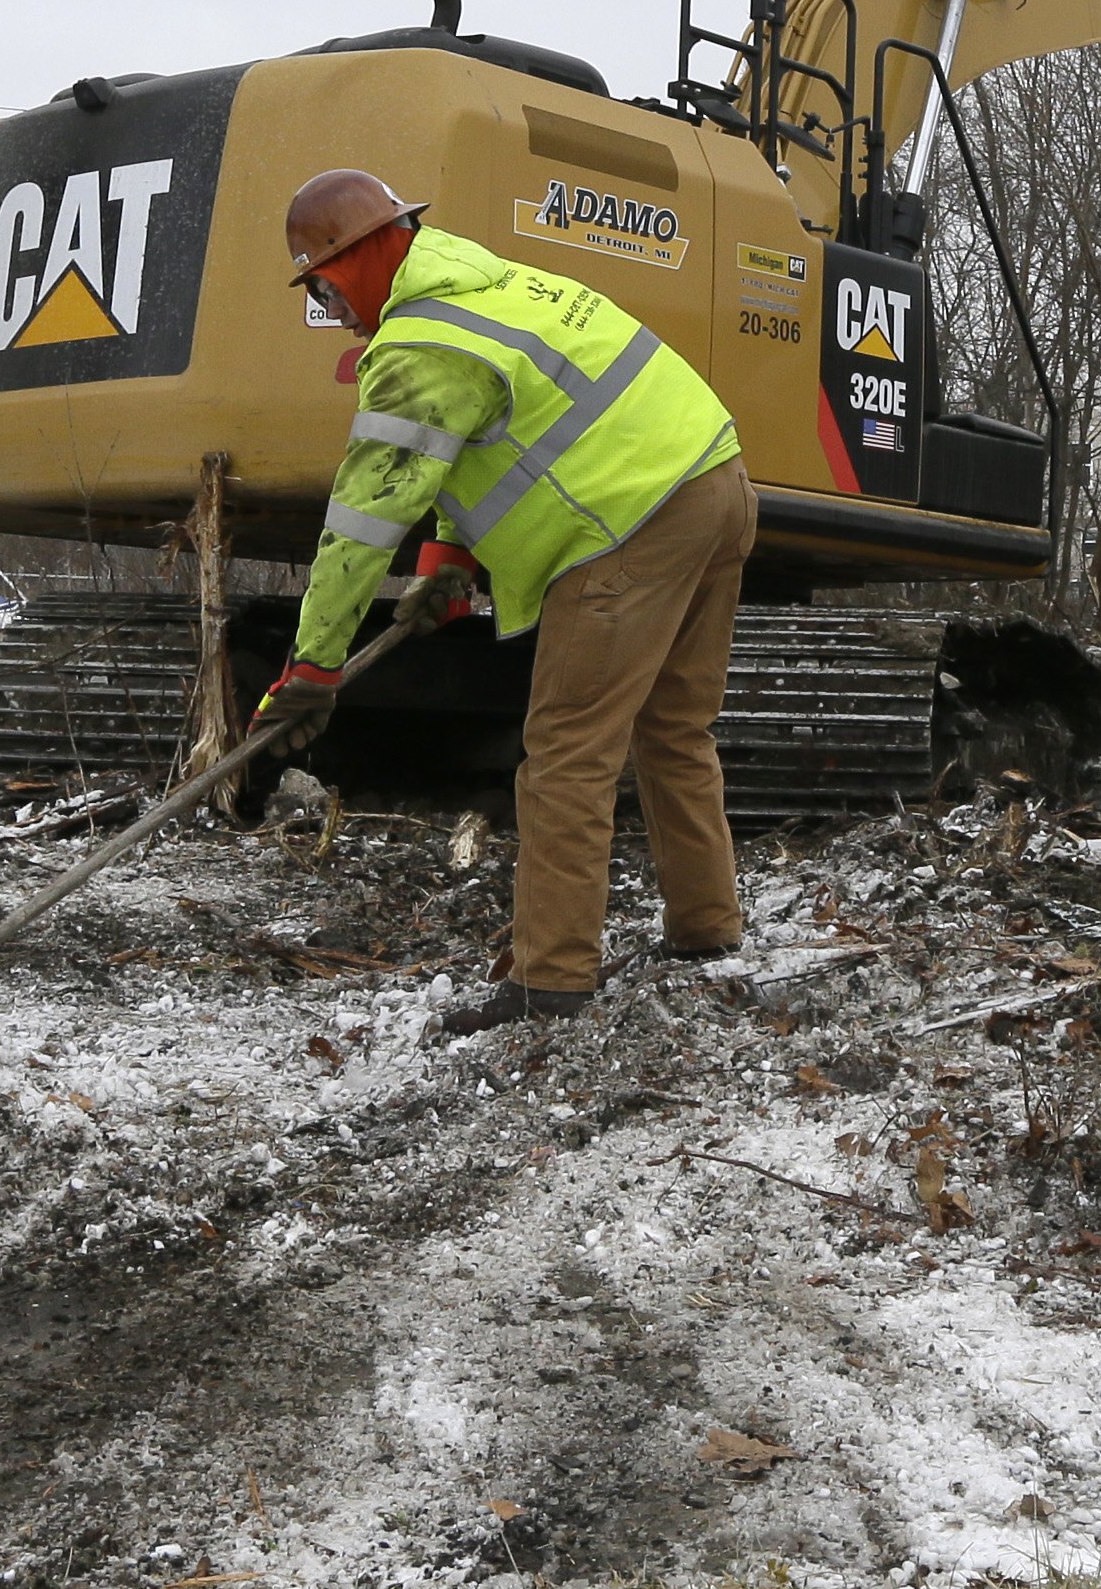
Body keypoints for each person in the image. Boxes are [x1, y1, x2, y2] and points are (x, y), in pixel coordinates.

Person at [258, 165, 756, 1033]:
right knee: (674, 727)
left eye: (324, 283)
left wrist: (312, 665)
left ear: (364, 253)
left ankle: (551, 980)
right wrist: (451, 553)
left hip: (628, 522)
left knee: (567, 750)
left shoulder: (419, 347)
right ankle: (706, 928)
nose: (327, 305)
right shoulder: (486, 279)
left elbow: (361, 527)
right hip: (715, 482)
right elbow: (499, 436)